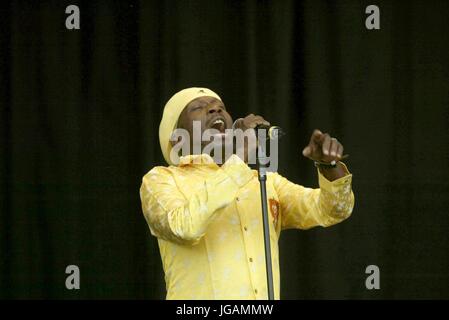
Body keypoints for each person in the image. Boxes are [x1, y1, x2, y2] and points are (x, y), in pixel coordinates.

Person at [139, 87, 354, 300]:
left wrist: (329, 165)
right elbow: (184, 228)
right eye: (198, 107)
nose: (215, 109)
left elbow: (332, 210)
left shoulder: (262, 180)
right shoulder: (161, 180)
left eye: (220, 107)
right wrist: (239, 157)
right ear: (176, 138)